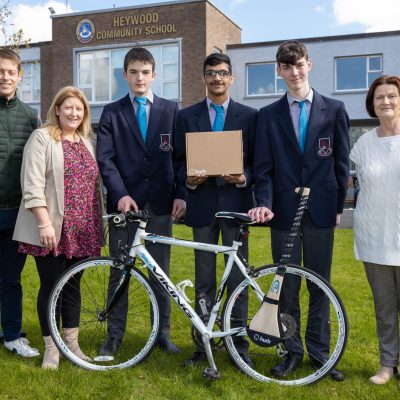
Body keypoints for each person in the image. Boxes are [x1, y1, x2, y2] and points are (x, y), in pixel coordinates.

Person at [249, 40, 350, 381]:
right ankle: (291, 352)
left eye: (299, 65)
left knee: (320, 284)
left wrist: (337, 207)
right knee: (287, 284)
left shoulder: (334, 110)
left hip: (321, 209)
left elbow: (341, 164)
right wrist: (263, 202)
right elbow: (262, 167)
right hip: (283, 210)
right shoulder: (267, 116)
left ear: (310, 64)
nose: (294, 72)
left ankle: (320, 355)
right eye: (286, 66)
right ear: (279, 71)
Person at [96, 47, 186, 356]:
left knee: (160, 273)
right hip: (126, 208)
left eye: (145, 72)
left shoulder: (171, 111)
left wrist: (180, 194)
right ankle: (114, 336)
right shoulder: (111, 112)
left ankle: (162, 334)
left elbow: (180, 159)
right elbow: (105, 160)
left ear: (154, 75)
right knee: (119, 271)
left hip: (161, 205)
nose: (139, 77)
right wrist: (120, 194)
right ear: (125, 75)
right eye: (133, 72)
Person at [175, 53, 257, 367]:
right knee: (205, 278)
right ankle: (203, 342)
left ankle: (238, 343)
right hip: (202, 206)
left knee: (238, 277)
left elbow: (257, 161)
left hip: (236, 206)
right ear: (204, 77)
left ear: (231, 78)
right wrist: (189, 180)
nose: (217, 79)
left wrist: (243, 177)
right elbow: (180, 161)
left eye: (223, 73)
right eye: (211, 73)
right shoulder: (187, 116)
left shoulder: (250, 116)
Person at [13, 86, 102, 369]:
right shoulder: (42, 138)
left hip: (83, 228)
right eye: (69, 108)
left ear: (84, 112)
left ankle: (71, 344)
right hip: (52, 227)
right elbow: (32, 184)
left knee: (73, 285)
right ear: (57, 109)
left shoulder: (87, 140)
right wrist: (43, 222)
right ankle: (52, 347)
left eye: (79, 108)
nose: (74, 113)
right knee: (51, 286)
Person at [350, 75, 400, 385]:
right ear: (372, 104)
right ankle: (387, 364)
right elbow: (359, 185)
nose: (386, 101)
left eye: (392, 96)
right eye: (379, 97)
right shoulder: (363, 144)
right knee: (384, 307)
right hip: (373, 238)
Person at [0, 49, 40, 357]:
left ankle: (12, 335)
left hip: (15, 212)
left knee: (10, 279)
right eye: (0, 71)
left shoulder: (30, 116)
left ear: (19, 76)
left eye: (10, 72)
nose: (4, 77)